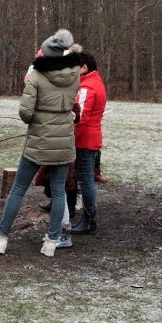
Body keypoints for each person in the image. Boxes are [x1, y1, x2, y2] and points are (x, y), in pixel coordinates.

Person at [0, 29, 80, 258]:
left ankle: (1, 238)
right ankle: (51, 242)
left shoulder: (37, 76)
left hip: (39, 139)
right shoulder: (75, 73)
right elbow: (72, 104)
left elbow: (25, 113)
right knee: (58, 192)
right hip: (64, 139)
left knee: (18, 189)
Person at [70, 51, 108, 235]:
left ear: (84, 67)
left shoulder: (87, 87)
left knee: (85, 181)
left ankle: (89, 219)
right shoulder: (95, 82)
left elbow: (80, 118)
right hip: (90, 138)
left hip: (85, 140)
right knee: (86, 179)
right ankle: (88, 218)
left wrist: (70, 137)